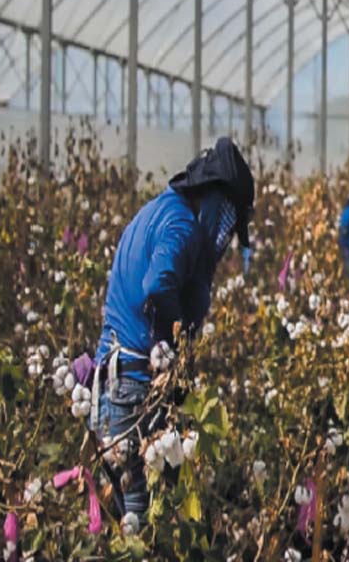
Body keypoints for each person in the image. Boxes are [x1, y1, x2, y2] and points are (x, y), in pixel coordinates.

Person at [90, 137, 254, 524]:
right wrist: (173, 346)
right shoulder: (181, 225)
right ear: (213, 198)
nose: (226, 236)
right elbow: (158, 284)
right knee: (139, 513)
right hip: (130, 386)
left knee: (122, 510)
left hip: (114, 379)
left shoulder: (158, 210)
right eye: (229, 220)